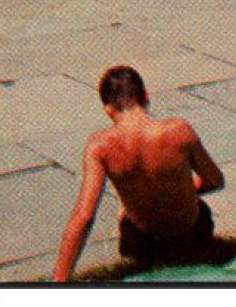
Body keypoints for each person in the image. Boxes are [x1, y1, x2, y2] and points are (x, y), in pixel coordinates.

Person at [53, 66, 225, 282]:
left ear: (108, 109)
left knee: (125, 211)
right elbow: (215, 180)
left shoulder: (101, 146)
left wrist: (60, 280)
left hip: (145, 243)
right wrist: (180, 192)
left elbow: (84, 216)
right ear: (145, 97)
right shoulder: (179, 130)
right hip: (191, 236)